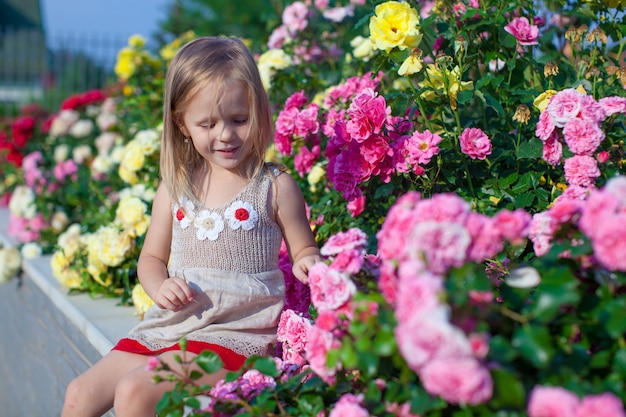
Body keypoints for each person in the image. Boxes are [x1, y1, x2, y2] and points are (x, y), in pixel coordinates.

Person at [61, 36, 321, 417]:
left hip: (235, 336)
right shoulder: (175, 187)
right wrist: (160, 285)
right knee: (79, 392)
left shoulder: (273, 185)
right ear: (182, 123)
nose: (226, 135)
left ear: (259, 111)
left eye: (239, 119)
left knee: (134, 392)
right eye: (208, 124)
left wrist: (307, 260)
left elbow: (304, 248)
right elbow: (151, 257)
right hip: (170, 327)